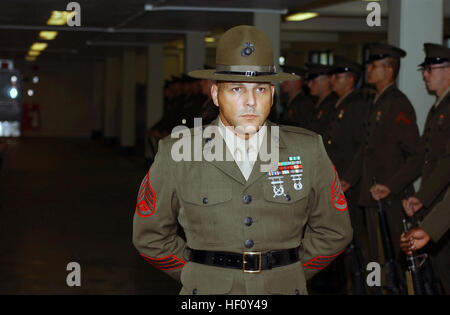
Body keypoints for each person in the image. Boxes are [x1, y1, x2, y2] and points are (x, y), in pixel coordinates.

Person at [132, 25, 353, 295]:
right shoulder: (177, 153)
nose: (250, 102)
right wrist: (197, 273)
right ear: (215, 94)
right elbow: (150, 236)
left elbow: (335, 231)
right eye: (236, 89)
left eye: (260, 89)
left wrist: (288, 271)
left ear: (273, 95)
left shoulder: (308, 150)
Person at [340, 43, 421, 293]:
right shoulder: (377, 102)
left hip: (389, 199)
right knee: (376, 257)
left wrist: (390, 186)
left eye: (374, 66)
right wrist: (349, 181)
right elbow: (366, 151)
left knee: (392, 262)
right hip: (372, 195)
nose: (369, 70)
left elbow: (417, 156)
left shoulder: (397, 103)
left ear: (388, 71)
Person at [380, 43, 449, 294]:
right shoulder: (438, 108)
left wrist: (422, 197)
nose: (425, 75)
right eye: (425, 69)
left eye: (430, 69)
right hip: (438, 207)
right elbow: (422, 156)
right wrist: (415, 197)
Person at [306, 63, 338, 137]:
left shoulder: (331, 105)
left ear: (327, 81)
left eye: (313, 81)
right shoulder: (319, 102)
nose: (309, 85)